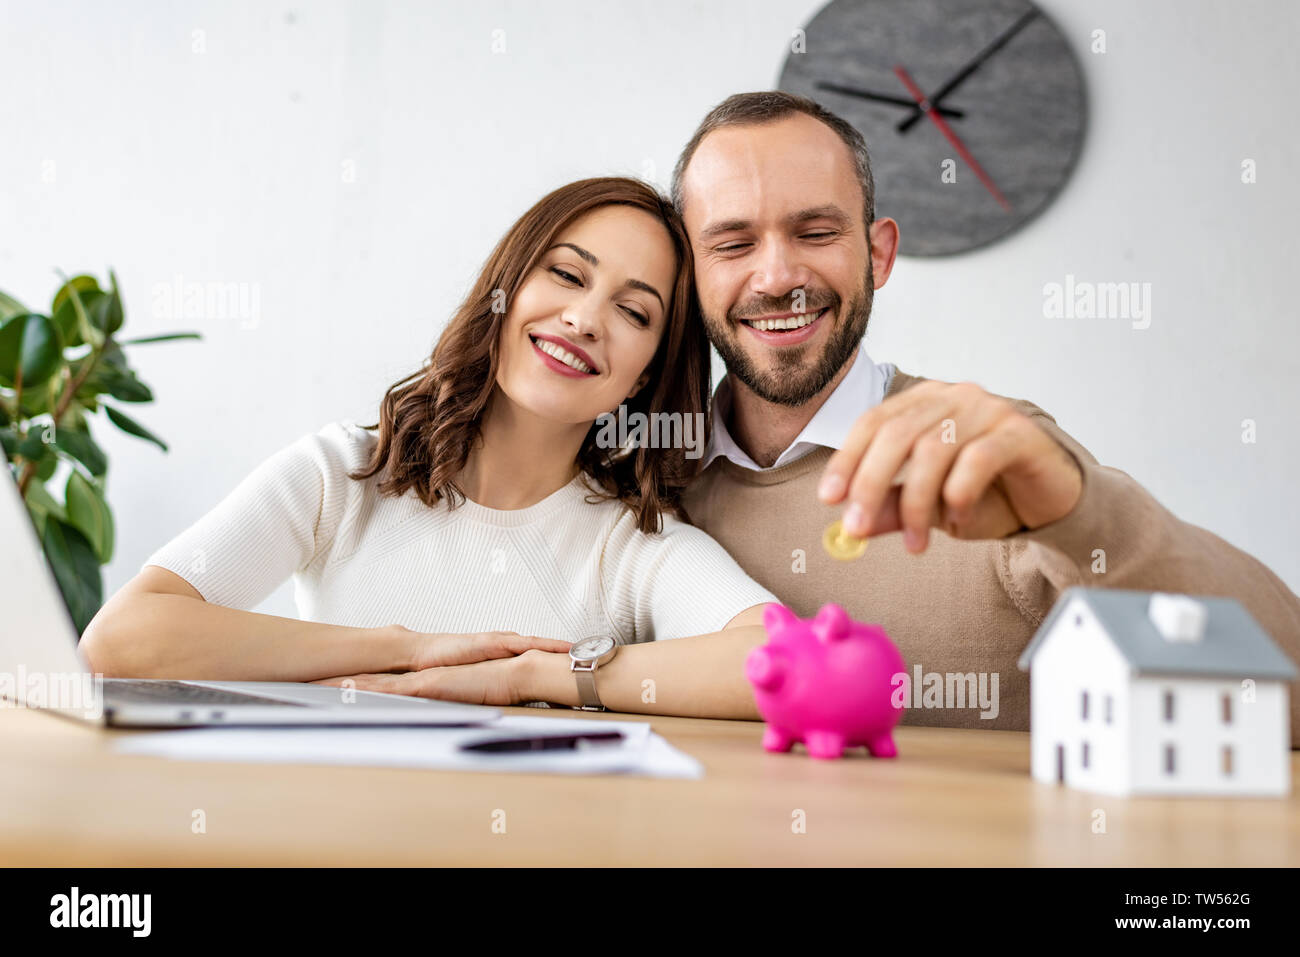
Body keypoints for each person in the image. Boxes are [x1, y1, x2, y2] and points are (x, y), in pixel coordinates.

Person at [670, 91, 1300, 740]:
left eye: (817, 232)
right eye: (734, 243)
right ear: (687, 274)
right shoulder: (645, 484)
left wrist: (1078, 514)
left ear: (879, 255)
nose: (777, 277)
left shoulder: (990, 455)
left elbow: (1282, 684)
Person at [81, 177, 779, 719]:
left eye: (634, 311)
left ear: (648, 372)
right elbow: (121, 639)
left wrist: (525, 674)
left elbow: (782, 662)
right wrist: (407, 650)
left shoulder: (634, 546)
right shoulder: (344, 474)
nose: (584, 318)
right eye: (567, 275)